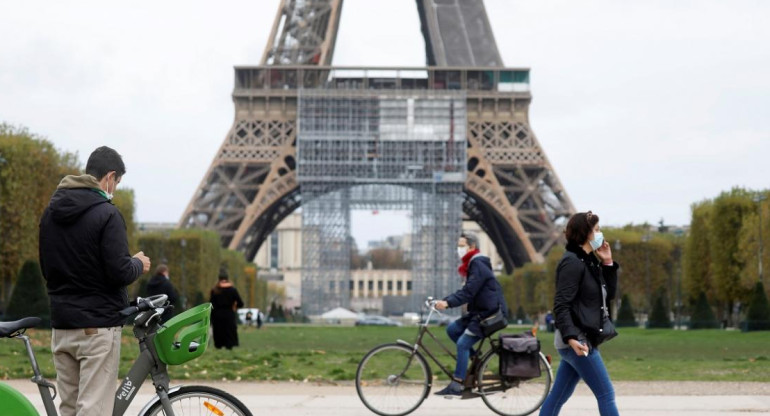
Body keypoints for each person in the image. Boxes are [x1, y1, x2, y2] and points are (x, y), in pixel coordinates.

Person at [39, 146, 151, 416]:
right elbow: (119, 273)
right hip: (97, 327)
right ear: (110, 177)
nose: (114, 190)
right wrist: (137, 263)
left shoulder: (50, 214)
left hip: (63, 325)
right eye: (117, 183)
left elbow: (47, 268)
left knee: (69, 409)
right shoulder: (107, 214)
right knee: (94, 410)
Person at [539, 211, 619, 416]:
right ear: (586, 233)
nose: (601, 234)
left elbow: (607, 295)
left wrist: (608, 263)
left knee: (558, 397)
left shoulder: (588, 261)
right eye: (597, 230)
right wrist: (572, 338)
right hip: (578, 341)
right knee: (606, 394)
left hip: (578, 339)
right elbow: (561, 305)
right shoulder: (573, 262)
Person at [434, 231, 507, 397]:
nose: (458, 250)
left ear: (471, 246)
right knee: (452, 329)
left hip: (489, 314)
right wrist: (445, 300)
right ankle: (477, 361)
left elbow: (469, 292)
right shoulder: (473, 264)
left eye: (461, 246)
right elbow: (467, 291)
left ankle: (457, 383)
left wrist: (448, 303)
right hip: (479, 312)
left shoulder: (478, 264)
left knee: (462, 344)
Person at [209, 268, 244, 349]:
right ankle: (229, 346)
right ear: (228, 279)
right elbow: (241, 303)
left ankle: (218, 346)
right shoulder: (232, 290)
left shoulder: (214, 290)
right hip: (229, 314)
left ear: (219, 279)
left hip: (217, 315)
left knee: (219, 332)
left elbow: (211, 304)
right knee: (229, 332)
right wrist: (234, 307)